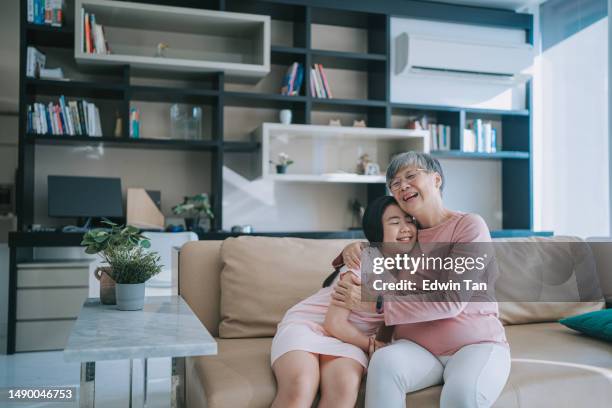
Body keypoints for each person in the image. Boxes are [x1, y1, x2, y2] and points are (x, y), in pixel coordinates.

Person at [331, 151, 511, 408]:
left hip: (474, 346)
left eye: (411, 176)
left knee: (461, 395)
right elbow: (380, 249)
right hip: (417, 349)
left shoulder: (469, 226)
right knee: (384, 362)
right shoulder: (406, 235)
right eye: (394, 183)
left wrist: (373, 303)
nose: (402, 185)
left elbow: (451, 301)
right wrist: (357, 247)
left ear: (436, 180)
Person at [270, 196, 417, 408]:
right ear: (378, 231)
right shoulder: (363, 260)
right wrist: (372, 346)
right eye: (395, 222)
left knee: (344, 389)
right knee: (300, 385)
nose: (405, 228)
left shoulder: (418, 269)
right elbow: (334, 324)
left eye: (409, 220)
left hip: (349, 341)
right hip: (310, 327)